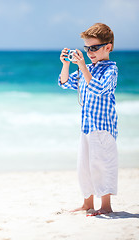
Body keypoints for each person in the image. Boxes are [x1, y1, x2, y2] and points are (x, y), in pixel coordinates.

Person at [58, 23, 118, 216]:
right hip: (87, 127)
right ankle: (87, 203)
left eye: (94, 48)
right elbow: (65, 83)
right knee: (84, 166)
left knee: (101, 164)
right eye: (87, 48)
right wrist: (66, 64)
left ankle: (106, 205)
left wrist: (83, 66)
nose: (90, 52)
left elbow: (99, 89)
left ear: (107, 47)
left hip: (102, 128)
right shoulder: (88, 68)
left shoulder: (110, 69)